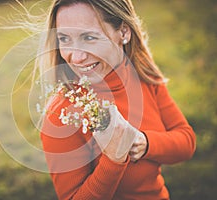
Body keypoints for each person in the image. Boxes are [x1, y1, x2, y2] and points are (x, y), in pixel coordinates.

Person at [26, 0, 196, 199]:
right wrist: (113, 159)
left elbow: (187, 143)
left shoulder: (143, 76)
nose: (76, 57)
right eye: (64, 39)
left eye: (88, 37)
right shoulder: (62, 113)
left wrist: (143, 142)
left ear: (123, 32)